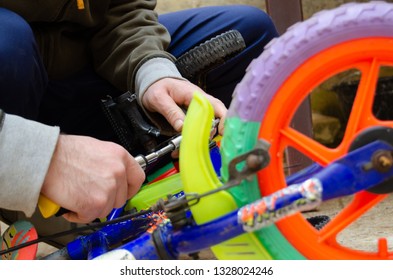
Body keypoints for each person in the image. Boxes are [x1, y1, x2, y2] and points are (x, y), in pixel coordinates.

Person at [0, 1, 278, 245]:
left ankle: (132, 198)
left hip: (82, 77)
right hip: (12, 100)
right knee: (8, 43)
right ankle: (35, 207)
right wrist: (40, 158)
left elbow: (124, 10)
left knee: (252, 34)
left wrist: (154, 73)